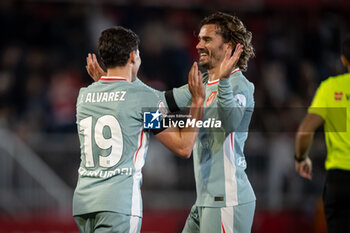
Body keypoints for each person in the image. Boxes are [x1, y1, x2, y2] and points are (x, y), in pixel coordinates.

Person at [86, 12, 255, 233]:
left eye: (207, 39)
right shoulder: (202, 83)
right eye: (199, 39)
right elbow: (159, 102)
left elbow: (230, 123)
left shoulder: (239, 85)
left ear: (229, 46)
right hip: (205, 201)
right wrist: (117, 85)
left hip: (228, 200)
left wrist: (223, 82)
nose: (198, 45)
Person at [73, 26, 207, 233]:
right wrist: (198, 101)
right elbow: (183, 146)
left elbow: (134, 100)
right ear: (133, 56)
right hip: (118, 204)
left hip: (84, 204)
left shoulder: (84, 96)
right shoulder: (141, 99)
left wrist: (102, 81)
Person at [295, 37, 350, 233]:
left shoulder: (330, 88)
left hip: (339, 180)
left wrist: (301, 158)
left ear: (343, 60)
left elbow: (305, 130)